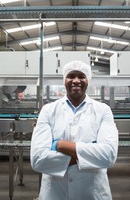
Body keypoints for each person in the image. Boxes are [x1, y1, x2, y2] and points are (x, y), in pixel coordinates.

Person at [30, 60, 119, 200]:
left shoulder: (103, 110)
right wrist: (89, 153)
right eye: (71, 76)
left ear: (88, 80)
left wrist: (60, 145)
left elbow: (108, 156)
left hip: (93, 193)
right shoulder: (48, 110)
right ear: (64, 80)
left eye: (81, 76)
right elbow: (38, 159)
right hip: (55, 193)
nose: (76, 80)